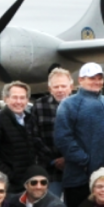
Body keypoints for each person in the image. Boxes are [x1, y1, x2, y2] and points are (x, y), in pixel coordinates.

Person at [54, 62, 104, 207]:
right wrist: (86, 162)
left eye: (99, 78)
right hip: (81, 181)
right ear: (80, 80)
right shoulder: (69, 104)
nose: (97, 81)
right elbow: (63, 138)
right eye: (92, 78)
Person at [0, 80, 41, 193]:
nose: (19, 101)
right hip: (10, 185)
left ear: (27, 100)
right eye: (15, 97)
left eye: (22, 98)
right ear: (6, 99)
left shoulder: (30, 119)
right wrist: (10, 174)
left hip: (29, 181)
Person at [29, 67, 73, 198]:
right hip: (49, 170)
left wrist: (68, 158)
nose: (60, 90)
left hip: (75, 169)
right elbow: (34, 136)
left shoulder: (80, 106)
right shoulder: (39, 106)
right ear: (50, 89)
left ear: (71, 87)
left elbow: (84, 136)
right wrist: (54, 160)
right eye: (56, 86)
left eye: (63, 86)